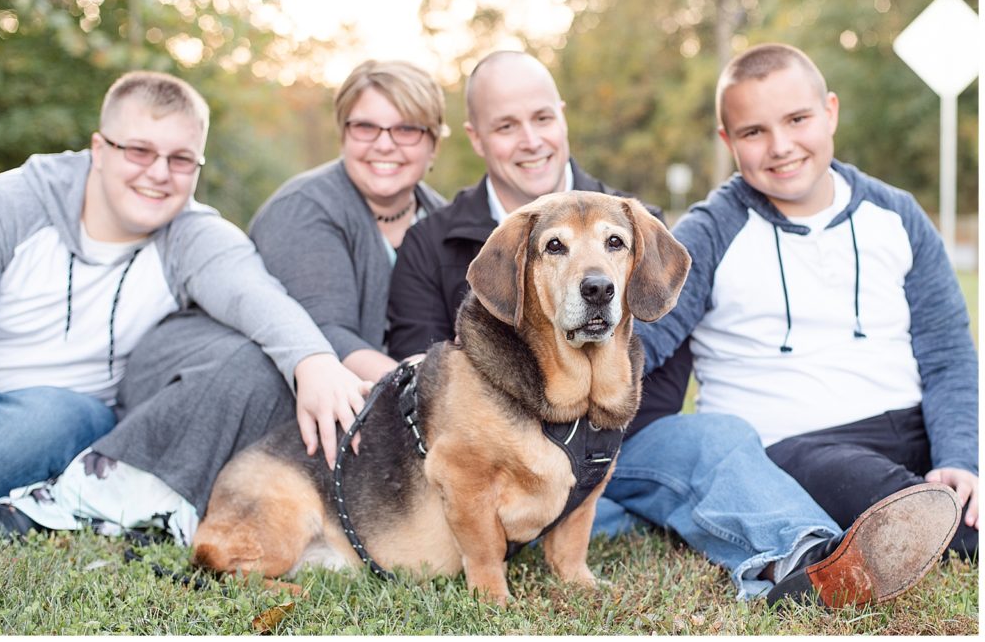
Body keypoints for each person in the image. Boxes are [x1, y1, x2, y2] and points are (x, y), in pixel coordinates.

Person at [386, 50, 960, 607]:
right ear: (476, 137)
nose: (530, 139)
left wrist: (963, 453)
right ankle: (810, 557)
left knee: (709, 449)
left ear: (563, 117)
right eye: (505, 125)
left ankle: (876, 535)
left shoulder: (630, 219)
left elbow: (649, 337)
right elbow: (425, 379)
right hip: (506, 460)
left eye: (541, 117)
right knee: (709, 455)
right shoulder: (433, 239)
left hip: (613, 450)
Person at [0, 60, 448, 543]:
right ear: (99, 149)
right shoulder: (6, 207)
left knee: (66, 416)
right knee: (54, 416)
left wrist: (317, 361)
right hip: (27, 405)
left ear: (435, 141)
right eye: (139, 151)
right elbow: (320, 320)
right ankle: (81, 500)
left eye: (181, 160)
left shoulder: (192, 232)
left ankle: (145, 505)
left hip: (93, 416)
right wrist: (409, 384)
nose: (158, 174)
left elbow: (255, 294)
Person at [634, 43, 978, 559]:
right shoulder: (707, 233)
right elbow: (640, 342)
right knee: (874, 488)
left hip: (913, 424)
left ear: (830, 112)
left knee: (955, 469)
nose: (780, 146)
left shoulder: (896, 215)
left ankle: (937, 505)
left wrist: (960, 457)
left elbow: (948, 353)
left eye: (798, 119)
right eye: (754, 132)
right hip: (796, 446)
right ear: (729, 141)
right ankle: (927, 520)